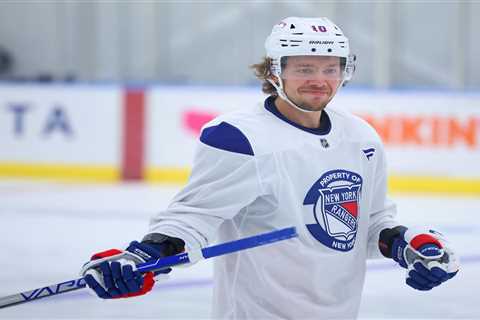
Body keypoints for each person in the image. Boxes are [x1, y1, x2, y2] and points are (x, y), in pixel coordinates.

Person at [80, 17, 459, 319]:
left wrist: (410, 246)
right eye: (305, 68)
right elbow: (193, 216)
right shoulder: (239, 136)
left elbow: (369, 222)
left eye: (331, 68)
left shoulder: (361, 138)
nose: (320, 80)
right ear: (274, 72)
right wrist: (145, 257)